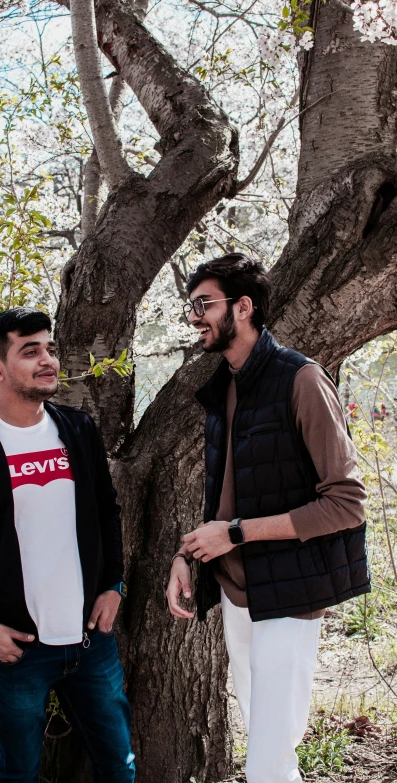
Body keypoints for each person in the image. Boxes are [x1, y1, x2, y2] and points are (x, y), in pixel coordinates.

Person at [166, 254, 370, 783]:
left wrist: (234, 535)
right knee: (266, 747)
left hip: (291, 594)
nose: (195, 317)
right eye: (192, 307)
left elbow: (346, 503)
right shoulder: (224, 387)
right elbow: (226, 497)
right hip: (237, 591)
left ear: (245, 306)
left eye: (204, 304)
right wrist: (188, 555)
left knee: (269, 756)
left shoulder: (301, 380)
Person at [0, 308, 135, 783]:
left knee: (119, 768)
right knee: (20, 772)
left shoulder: (77, 431)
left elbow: (106, 511)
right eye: (30, 350)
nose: (48, 360)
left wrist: (113, 585)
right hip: (15, 648)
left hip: (90, 640)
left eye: (51, 349)